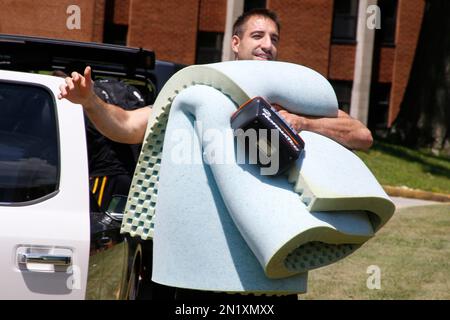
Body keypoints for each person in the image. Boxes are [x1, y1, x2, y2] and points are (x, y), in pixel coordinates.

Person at [58, 8, 372, 151]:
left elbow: (362, 135)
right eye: (258, 36)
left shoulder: (290, 95)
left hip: (269, 235)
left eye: (274, 39)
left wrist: (303, 123)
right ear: (235, 43)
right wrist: (91, 101)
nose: (267, 45)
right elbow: (127, 127)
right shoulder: (201, 87)